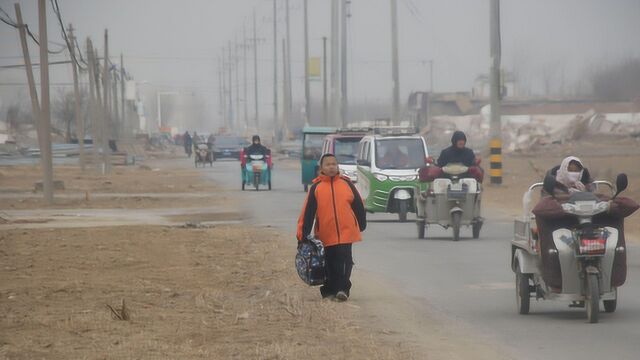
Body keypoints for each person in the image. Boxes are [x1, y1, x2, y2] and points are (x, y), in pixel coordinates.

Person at [297, 153, 367, 302]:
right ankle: (329, 290)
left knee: (345, 260)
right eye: (328, 164)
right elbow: (307, 213)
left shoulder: (347, 184)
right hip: (326, 232)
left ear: (338, 166)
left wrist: (361, 223)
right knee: (329, 262)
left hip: (347, 230)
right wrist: (302, 235)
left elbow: (359, 206)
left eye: (334, 164)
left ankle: (343, 289)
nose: (331, 167)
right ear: (321, 167)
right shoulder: (316, 187)